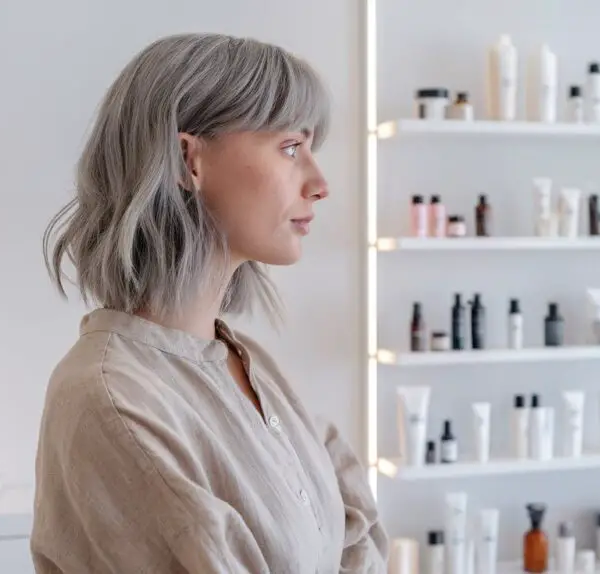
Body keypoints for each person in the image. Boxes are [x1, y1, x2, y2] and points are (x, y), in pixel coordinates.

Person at [30, 33, 388, 573]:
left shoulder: (247, 364)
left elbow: (351, 538)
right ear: (187, 159)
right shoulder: (112, 402)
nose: (320, 184)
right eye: (292, 147)